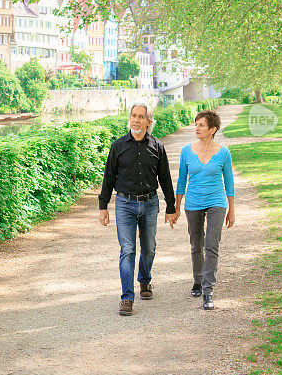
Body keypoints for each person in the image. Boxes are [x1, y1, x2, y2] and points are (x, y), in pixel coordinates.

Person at [99, 102, 177, 316]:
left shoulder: (157, 146)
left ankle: (144, 280)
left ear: (149, 121)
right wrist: (103, 206)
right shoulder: (118, 146)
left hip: (150, 203)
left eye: (141, 117)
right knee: (128, 250)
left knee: (149, 247)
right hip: (124, 204)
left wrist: (171, 206)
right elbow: (108, 178)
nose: (136, 120)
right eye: (133, 115)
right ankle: (127, 297)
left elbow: (166, 179)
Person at [175, 109, 235, 310]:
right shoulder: (186, 151)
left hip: (217, 202)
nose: (197, 128)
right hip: (193, 202)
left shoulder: (224, 152)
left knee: (212, 246)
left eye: (201, 125)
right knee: (196, 244)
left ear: (213, 129)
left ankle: (208, 291)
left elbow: (229, 182)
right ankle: (198, 280)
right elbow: (182, 181)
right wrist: (176, 207)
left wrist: (231, 210)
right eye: (196, 124)